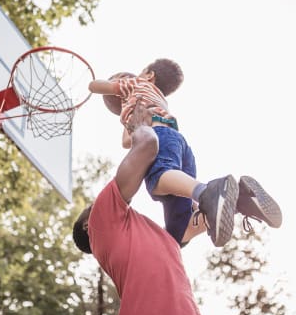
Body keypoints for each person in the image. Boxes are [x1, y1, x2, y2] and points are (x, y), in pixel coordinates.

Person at [73, 100, 217, 315]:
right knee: (158, 179)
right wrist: (139, 127)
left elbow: (191, 227)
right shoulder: (99, 222)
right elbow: (148, 147)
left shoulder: (155, 236)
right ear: (88, 224)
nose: (94, 204)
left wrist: (231, 202)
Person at [88, 61, 282, 248]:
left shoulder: (134, 83)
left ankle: (207, 192)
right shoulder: (156, 98)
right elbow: (126, 141)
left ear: (149, 75)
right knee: (178, 233)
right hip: (178, 143)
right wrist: (125, 109)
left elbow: (95, 86)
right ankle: (242, 200)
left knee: (157, 178)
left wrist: (106, 86)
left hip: (160, 136)